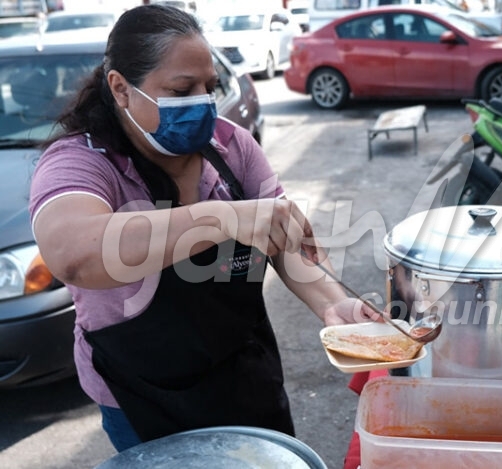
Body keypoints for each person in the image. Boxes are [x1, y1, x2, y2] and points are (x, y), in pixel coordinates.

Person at [29, 4, 377, 452]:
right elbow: (74, 254)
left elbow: (288, 241)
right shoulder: (81, 163)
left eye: (209, 87)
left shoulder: (233, 147)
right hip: (141, 397)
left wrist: (336, 305)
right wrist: (228, 217)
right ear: (120, 88)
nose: (202, 101)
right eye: (180, 89)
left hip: (242, 374)